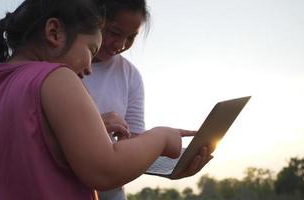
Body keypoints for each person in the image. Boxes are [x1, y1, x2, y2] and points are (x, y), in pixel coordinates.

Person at [0, 0, 198, 199]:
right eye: (91, 49)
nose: (89, 68)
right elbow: (104, 170)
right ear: (54, 32)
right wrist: (160, 138)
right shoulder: (56, 77)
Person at [82, 0, 212, 199]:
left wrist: (172, 164)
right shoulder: (61, 66)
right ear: (95, 20)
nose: (120, 45)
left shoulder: (130, 75)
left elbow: (133, 143)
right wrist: (97, 123)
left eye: (131, 37)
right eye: (114, 32)